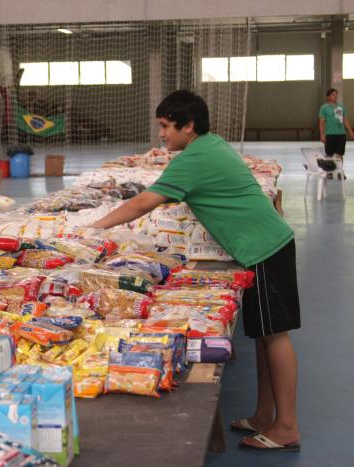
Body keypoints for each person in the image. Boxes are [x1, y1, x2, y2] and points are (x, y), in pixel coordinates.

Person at [90, 90, 301, 452]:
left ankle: (287, 427)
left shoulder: (194, 159)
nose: (162, 135)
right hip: (266, 246)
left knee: (276, 336)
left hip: (264, 249)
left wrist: (94, 230)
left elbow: (145, 201)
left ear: (188, 126)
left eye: (166, 127)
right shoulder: (209, 145)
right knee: (265, 336)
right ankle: (266, 414)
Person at [319, 88, 354, 175]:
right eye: (333, 95)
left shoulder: (341, 107)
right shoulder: (324, 108)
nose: (335, 96)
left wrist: (350, 131)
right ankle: (329, 172)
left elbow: (345, 120)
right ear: (328, 96)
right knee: (329, 155)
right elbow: (321, 123)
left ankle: (340, 173)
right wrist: (322, 135)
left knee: (340, 155)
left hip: (341, 134)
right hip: (330, 134)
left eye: (336, 95)